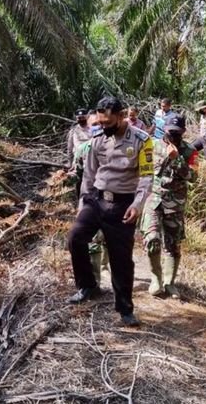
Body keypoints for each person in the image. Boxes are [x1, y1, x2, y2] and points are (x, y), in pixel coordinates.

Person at [66, 96, 154, 327]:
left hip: (123, 205)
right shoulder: (97, 139)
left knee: (121, 259)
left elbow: (146, 177)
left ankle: (125, 309)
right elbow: (89, 175)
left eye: (108, 122)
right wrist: (82, 204)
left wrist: (137, 204)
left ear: (122, 115)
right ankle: (88, 285)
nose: (103, 126)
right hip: (96, 200)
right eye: (100, 123)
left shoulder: (141, 140)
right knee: (75, 237)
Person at [141, 115, 198, 299]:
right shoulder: (152, 145)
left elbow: (193, 178)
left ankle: (169, 283)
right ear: (164, 129)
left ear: (183, 132)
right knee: (152, 238)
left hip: (175, 203)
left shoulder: (189, 151)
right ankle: (156, 279)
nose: (173, 135)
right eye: (170, 131)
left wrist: (177, 159)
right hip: (153, 198)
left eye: (177, 132)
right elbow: (141, 170)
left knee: (173, 244)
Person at [71, 113, 109, 287]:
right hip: (91, 200)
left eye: (100, 124)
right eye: (94, 124)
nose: (97, 127)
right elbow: (77, 175)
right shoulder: (83, 149)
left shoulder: (116, 146)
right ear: (88, 126)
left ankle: (106, 267)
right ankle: (95, 283)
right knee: (93, 240)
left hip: (113, 200)